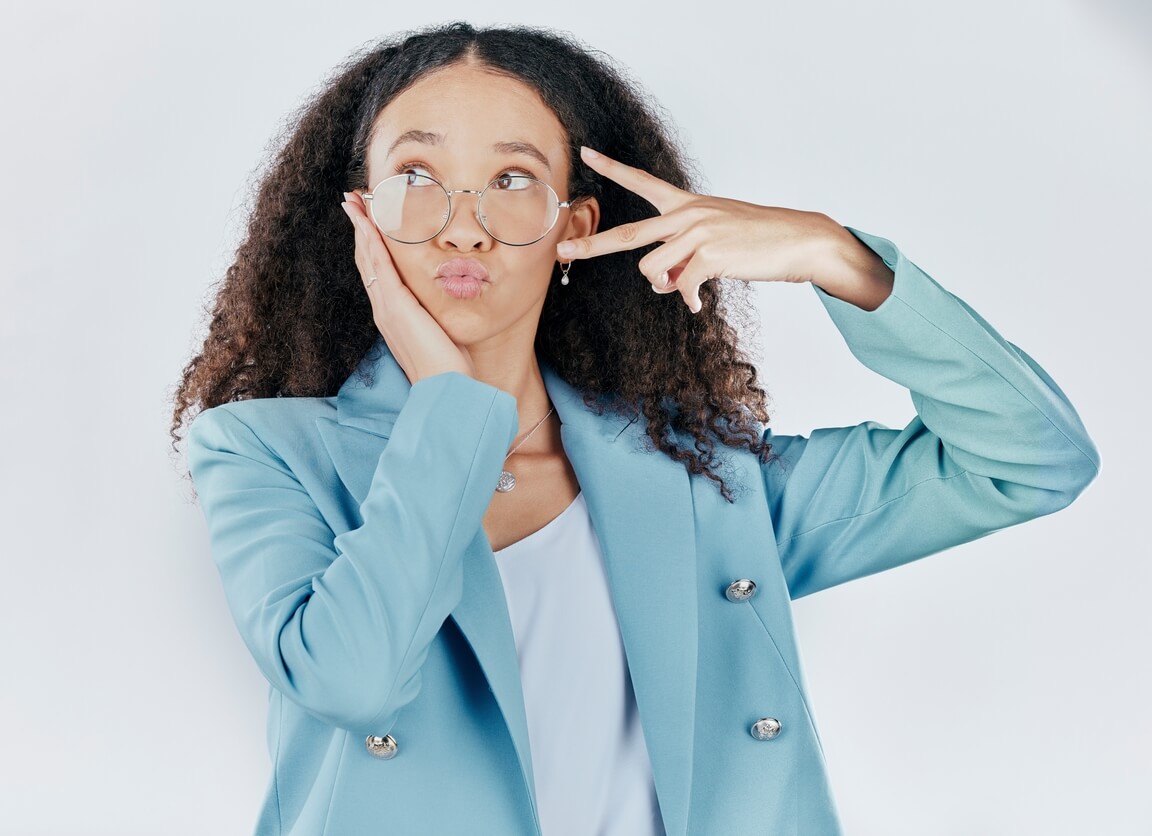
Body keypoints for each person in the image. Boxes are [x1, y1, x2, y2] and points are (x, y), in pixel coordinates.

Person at [170, 21, 1101, 836]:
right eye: (418, 176)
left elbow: (1030, 460)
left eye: (511, 179)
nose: (464, 227)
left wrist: (836, 255)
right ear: (361, 215)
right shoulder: (263, 450)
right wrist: (450, 403)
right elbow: (351, 681)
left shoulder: (699, 477)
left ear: (573, 224)